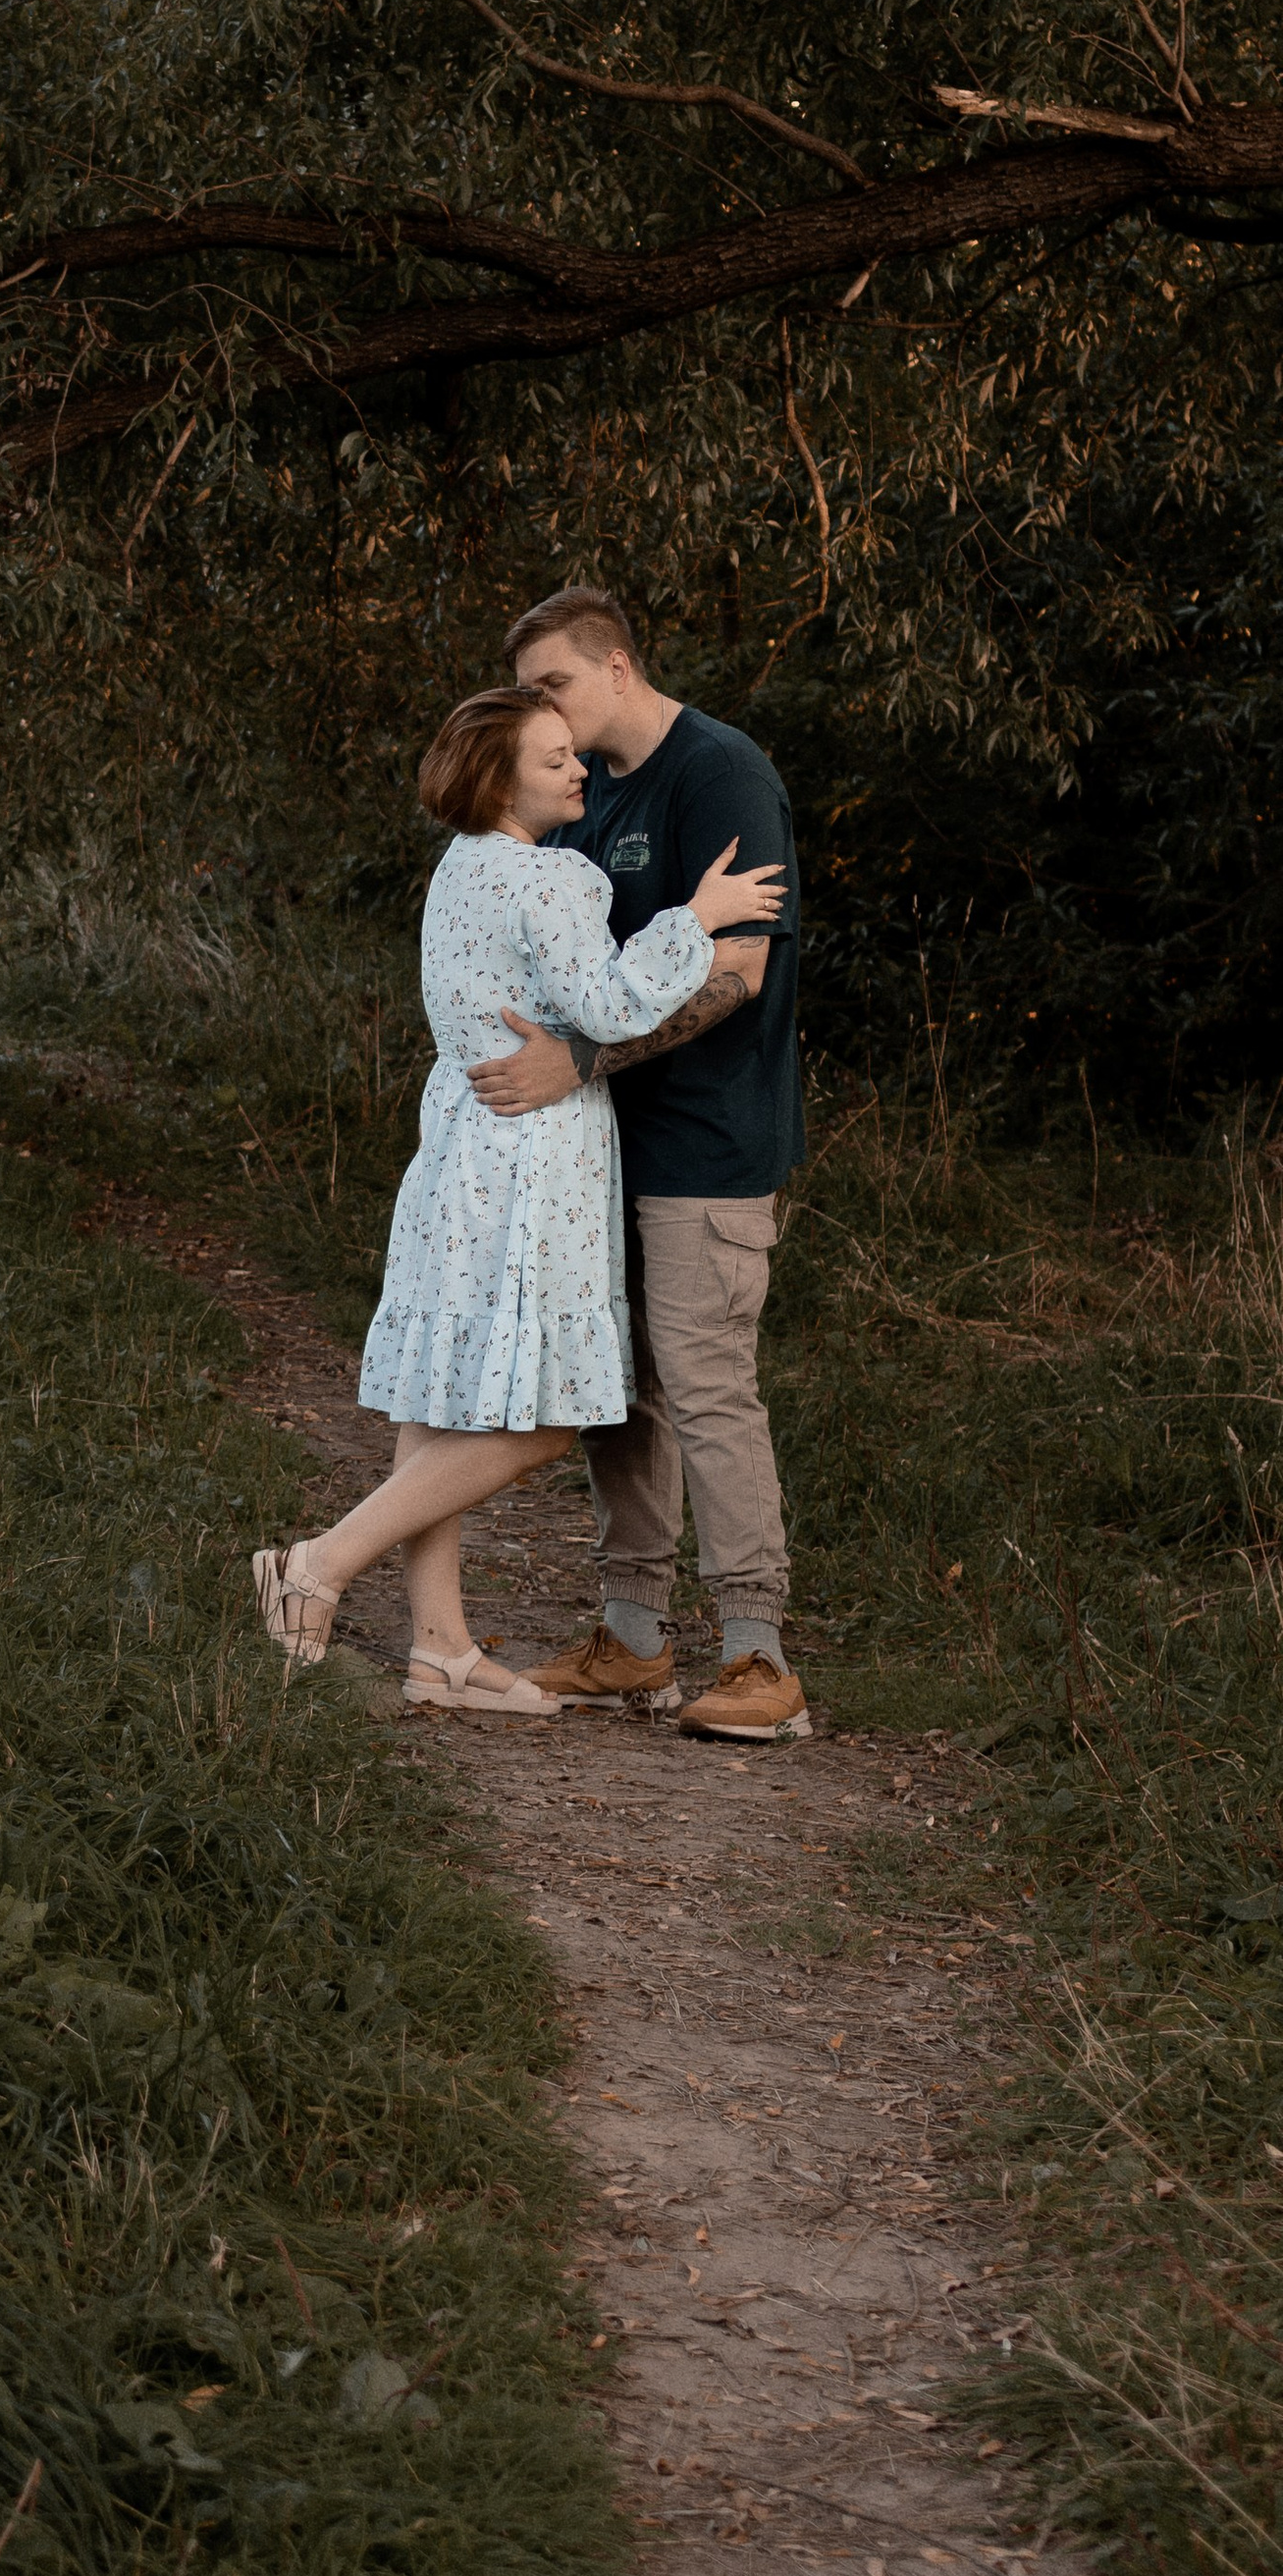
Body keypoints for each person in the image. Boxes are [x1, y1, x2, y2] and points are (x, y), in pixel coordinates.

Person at [250, 682, 785, 1710]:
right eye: (552, 760)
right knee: (553, 1414)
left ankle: (440, 1647)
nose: (578, 768)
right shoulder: (548, 883)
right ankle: (313, 1567)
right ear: (500, 781)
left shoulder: (458, 872)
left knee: (442, 1389)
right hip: (533, 1162)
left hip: (457, 1147)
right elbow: (609, 1003)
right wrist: (698, 919)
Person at [467, 585, 808, 1744]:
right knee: (621, 1395)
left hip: (708, 1144)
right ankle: (633, 1638)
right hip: (596, 1146)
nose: (540, 708)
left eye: (553, 682)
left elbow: (736, 973)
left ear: (616, 665)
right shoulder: (583, 789)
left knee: (708, 1389)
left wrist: (580, 1061)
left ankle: (759, 1657)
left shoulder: (719, 774)